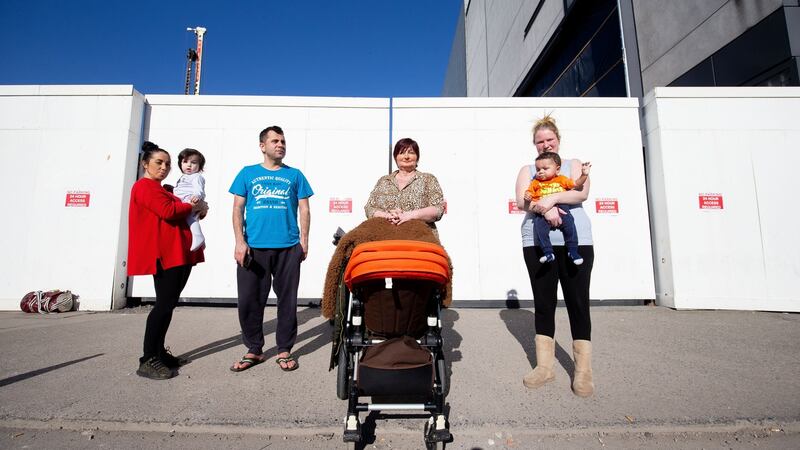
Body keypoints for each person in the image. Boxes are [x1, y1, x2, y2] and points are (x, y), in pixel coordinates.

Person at [514, 115, 595, 397]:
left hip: (576, 240)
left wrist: (552, 200)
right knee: (544, 302)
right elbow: (521, 200)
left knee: (577, 301)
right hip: (537, 241)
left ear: (558, 140)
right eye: (539, 141)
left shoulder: (573, 166)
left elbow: (581, 194)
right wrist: (542, 208)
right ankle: (544, 367)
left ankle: (583, 371)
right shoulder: (528, 170)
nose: (544, 144)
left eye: (549, 139)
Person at [228, 125, 313, 372]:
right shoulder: (247, 173)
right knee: (249, 301)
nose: (281, 145)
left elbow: (304, 209)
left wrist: (304, 241)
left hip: (288, 247)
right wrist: (239, 241)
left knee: (287, 301)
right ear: (262, 146)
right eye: (275, 141)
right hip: (254, 247)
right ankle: (254, 349)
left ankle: (284, 349)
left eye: (283, 141)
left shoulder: (295, 175)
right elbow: (237, 209)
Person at [128, 141, 207, 380]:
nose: (164, 167)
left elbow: (190, 209)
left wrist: (199, 207)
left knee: (169, 304)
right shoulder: (145, 187)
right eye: (158, 163)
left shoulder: (165, 188)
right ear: (145, 164)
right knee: (163, 305)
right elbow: (169, 212)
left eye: (168, 164)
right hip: (165, 254)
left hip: (178, 253)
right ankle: (147, 358)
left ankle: (159, 353)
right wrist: (192, 205)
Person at [364, 138, 445, 234]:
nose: (406, 157)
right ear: (395, 157)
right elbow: (369, 208)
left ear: (417, 157)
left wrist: (409, 215)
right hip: (385, 235)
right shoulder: (384, 181)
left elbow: (438, 209)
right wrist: (387, 215)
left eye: (411, 152)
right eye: (402, 153)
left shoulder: (428, 179)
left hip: (420, 237)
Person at [524, 151, 591, 265]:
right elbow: (528, 195)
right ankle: (548, 252)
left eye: (545, 168)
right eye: (538, 169)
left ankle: (573, 251)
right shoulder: (535, 182)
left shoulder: (561, 179)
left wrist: (584, 175)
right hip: (542, 211)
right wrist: (527, 196)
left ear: (557, 169)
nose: (540, 172)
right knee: (540, 229)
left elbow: (576, 184)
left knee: (570, 226)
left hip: (562, 207)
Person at [173, 148, 207, 251]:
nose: (189, 165)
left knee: (191, 219)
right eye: (185, 162)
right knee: (189, 220)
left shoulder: (197, 177)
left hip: (190, 200)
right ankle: (201, 242)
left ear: (200, 167)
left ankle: (198, 237)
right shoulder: (184, 176)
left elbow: (199, 189)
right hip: (183, 200)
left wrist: (197, 196)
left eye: (193, 163)